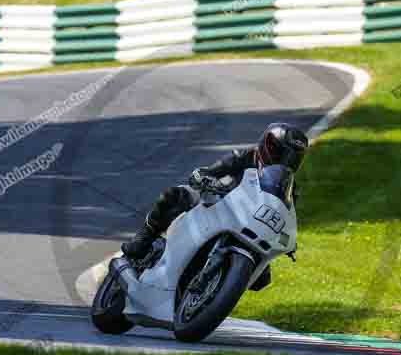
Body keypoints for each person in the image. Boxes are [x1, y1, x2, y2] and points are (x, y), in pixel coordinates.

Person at [121, 122, 309, 286]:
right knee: (175, 195)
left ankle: (216, 289)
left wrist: (287, 238)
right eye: (282, 153)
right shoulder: (245, 157)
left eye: (294, 157)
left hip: (249, 227)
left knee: (261, 279)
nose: (286, 161)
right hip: (218, 204)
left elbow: (284, 216)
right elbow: (212, 170)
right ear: (269, 146)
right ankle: (144, 238)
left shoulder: (288, 187)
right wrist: (203, 177)